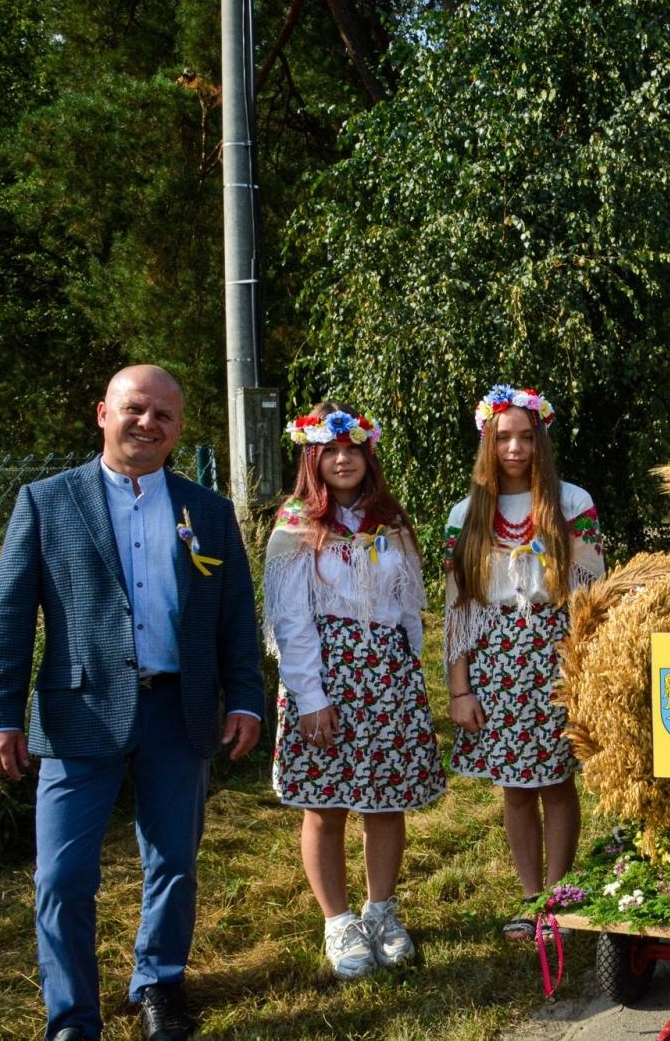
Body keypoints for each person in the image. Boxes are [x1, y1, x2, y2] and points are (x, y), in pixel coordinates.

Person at [0, 365, 265, 1041]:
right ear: (102, 413)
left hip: (180, 709)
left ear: (179, 430)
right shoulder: (47, 501)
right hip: (79, 713)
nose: (148, 424)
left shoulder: (208, 513)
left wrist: (244, 699)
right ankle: (73, 1018)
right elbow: (7, 616)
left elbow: (234, 621)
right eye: (136, 409)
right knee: (63, 877)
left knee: (174, 863)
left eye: (164, 415)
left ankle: (158, 984)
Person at [263, 403, 446, 979]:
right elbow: (289, 619)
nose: (344, 459)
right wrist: (310, 697)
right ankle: (338, 921)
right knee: (327, 803)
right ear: (313, 458)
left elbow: (407, 603)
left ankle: (382, 912)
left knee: (385, 800)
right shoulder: (296, 524)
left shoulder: (389, 519)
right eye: (331, 451)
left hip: (387, 675)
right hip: (327, 675)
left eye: (354, 449)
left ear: (369, 454)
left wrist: (408, 673)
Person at [445, 384, 606, 936]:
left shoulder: (572, 503)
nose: (514, 448)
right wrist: (460, 688)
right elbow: (458, 610)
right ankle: (530, 896)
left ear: (540, 439)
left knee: (558, 779)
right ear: (487, 442)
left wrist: (588, 672)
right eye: (502, 437)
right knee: (515, 786)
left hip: (557, 654)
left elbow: (592, 593)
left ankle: (559, 898)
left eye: (525, 437)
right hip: (495, 663)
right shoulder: (465, 514)